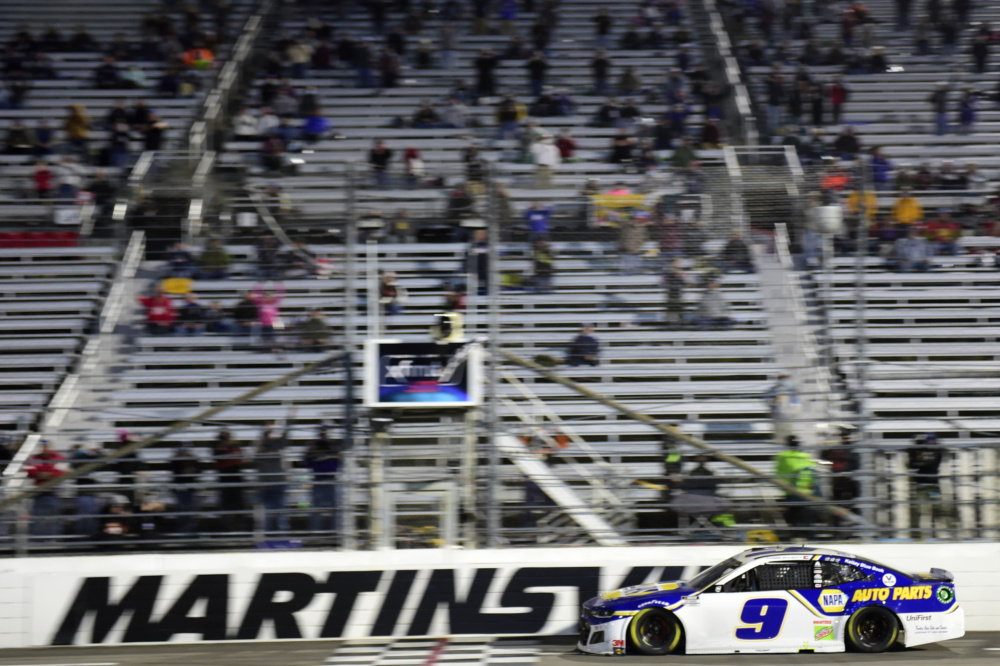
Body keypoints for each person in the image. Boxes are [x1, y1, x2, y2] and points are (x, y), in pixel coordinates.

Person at [255, 415, 294, 534]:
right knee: (268, 512)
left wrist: (290, 418)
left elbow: (285, 436)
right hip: (266, 484)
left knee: (280, 511)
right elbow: (256, 459)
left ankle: (282, 534)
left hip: (278, 482)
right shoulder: (260, 446)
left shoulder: (276, 444)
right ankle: (267, 534)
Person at [908, 433, 952, 539]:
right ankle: (925, 536)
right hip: (922, 486)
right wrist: (917, 446)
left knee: (937, 510)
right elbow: (912, 464)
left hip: (933, 485)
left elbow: (930, 464)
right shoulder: (919, 452)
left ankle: (942, 534)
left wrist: (919, 449)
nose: (932, 443)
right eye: (930, 441)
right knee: (924, 512)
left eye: (933, 441)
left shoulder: (936, 452)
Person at [774, 435, 818, 531]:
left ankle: (797, 533)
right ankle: (808, 533)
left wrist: (783, 485)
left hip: (792, 489)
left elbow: (779, 472)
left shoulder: (783, 456)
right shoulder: (805, 456)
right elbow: (810, 471)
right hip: (803, 489)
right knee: (804, 513)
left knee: (795, 513)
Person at [305, 423, 342, 534]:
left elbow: (339, 461)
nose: (323, 433)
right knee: (317, 508)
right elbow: (307, 461)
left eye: (325, 431)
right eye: (322, 431)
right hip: (319, 479)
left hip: (330, 479)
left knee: (333, 508)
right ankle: (315, 533)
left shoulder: (333, 445)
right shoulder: (315, 446)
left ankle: (334, 532)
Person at [26, 441, 66, 537]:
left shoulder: (59, 458)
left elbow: (60, 473)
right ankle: (36, 537)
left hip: (54, 492)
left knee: (54, 516)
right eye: (42, 447)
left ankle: (54, 537)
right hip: (39, 493)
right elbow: (30, 472)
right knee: (37, 516)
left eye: (46, 447)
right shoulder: (34, 458)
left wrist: (42, 474)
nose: (44, 449)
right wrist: (50, 474)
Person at [213, 430, 245, 531]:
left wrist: (229, 455)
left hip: (236, 481)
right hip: (224, 482)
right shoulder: (217, 448)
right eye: (222, 439)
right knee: (225, 505)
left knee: (238, 504)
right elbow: (221, 461)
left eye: (227, 438)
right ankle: (226, 528)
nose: (225, 441)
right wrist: (229, 455)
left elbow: (239, 459)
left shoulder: (235, 447)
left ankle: (239, 527)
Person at [170, 444, 204, 534]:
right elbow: (179, 472)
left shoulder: (192, 459)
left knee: (192, 508)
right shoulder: (175, 460)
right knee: (184, 508)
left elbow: (199, 470)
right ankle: (183, 529)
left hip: (191, 487)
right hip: (180, 487)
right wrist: (188, 470)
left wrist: (191, 470)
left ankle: (189, 529)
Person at [822, 429, 859, 507]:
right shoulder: (853, 449)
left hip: (842, 478)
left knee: (839, 497)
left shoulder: (838, 449)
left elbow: (824, 455)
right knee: (852, 497)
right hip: (848, 478)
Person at [765, 373, 800, 444]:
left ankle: (789, 441)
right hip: (777, 412)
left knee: (788, 428)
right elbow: (767, 400)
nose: (784, 380)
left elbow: (796, 401)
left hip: (789, 413)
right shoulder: (773, 389)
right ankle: (778, 439)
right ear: (778, 380)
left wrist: (795, 410)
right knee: (778, 428)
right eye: (782, 379)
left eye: (785, 379)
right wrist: (774, 400)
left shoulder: (793, 389)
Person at [251, 283, 285, 352]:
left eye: (270, 296)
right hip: (264, 324)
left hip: (275, 323)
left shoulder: (275, 302)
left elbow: (281, 293)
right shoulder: (260, 303)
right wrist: (260, 284)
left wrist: (278, 284)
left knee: (277, 336)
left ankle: (276, 348)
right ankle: (266, 349)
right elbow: (256, 294)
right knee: (265, 337)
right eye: (266, 296)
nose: (268, 297)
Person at [663, 256, 688, 329]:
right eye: (675, 262)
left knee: (679, 313)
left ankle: (679, 325)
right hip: (671, 296)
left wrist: (681, 276)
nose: (677, 264)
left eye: (677, 262)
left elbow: (685, 283)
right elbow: (665, 283)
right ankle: (670, 326)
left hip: (678, 296)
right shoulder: (668, 273)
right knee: (671, 313)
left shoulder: (681, 273)